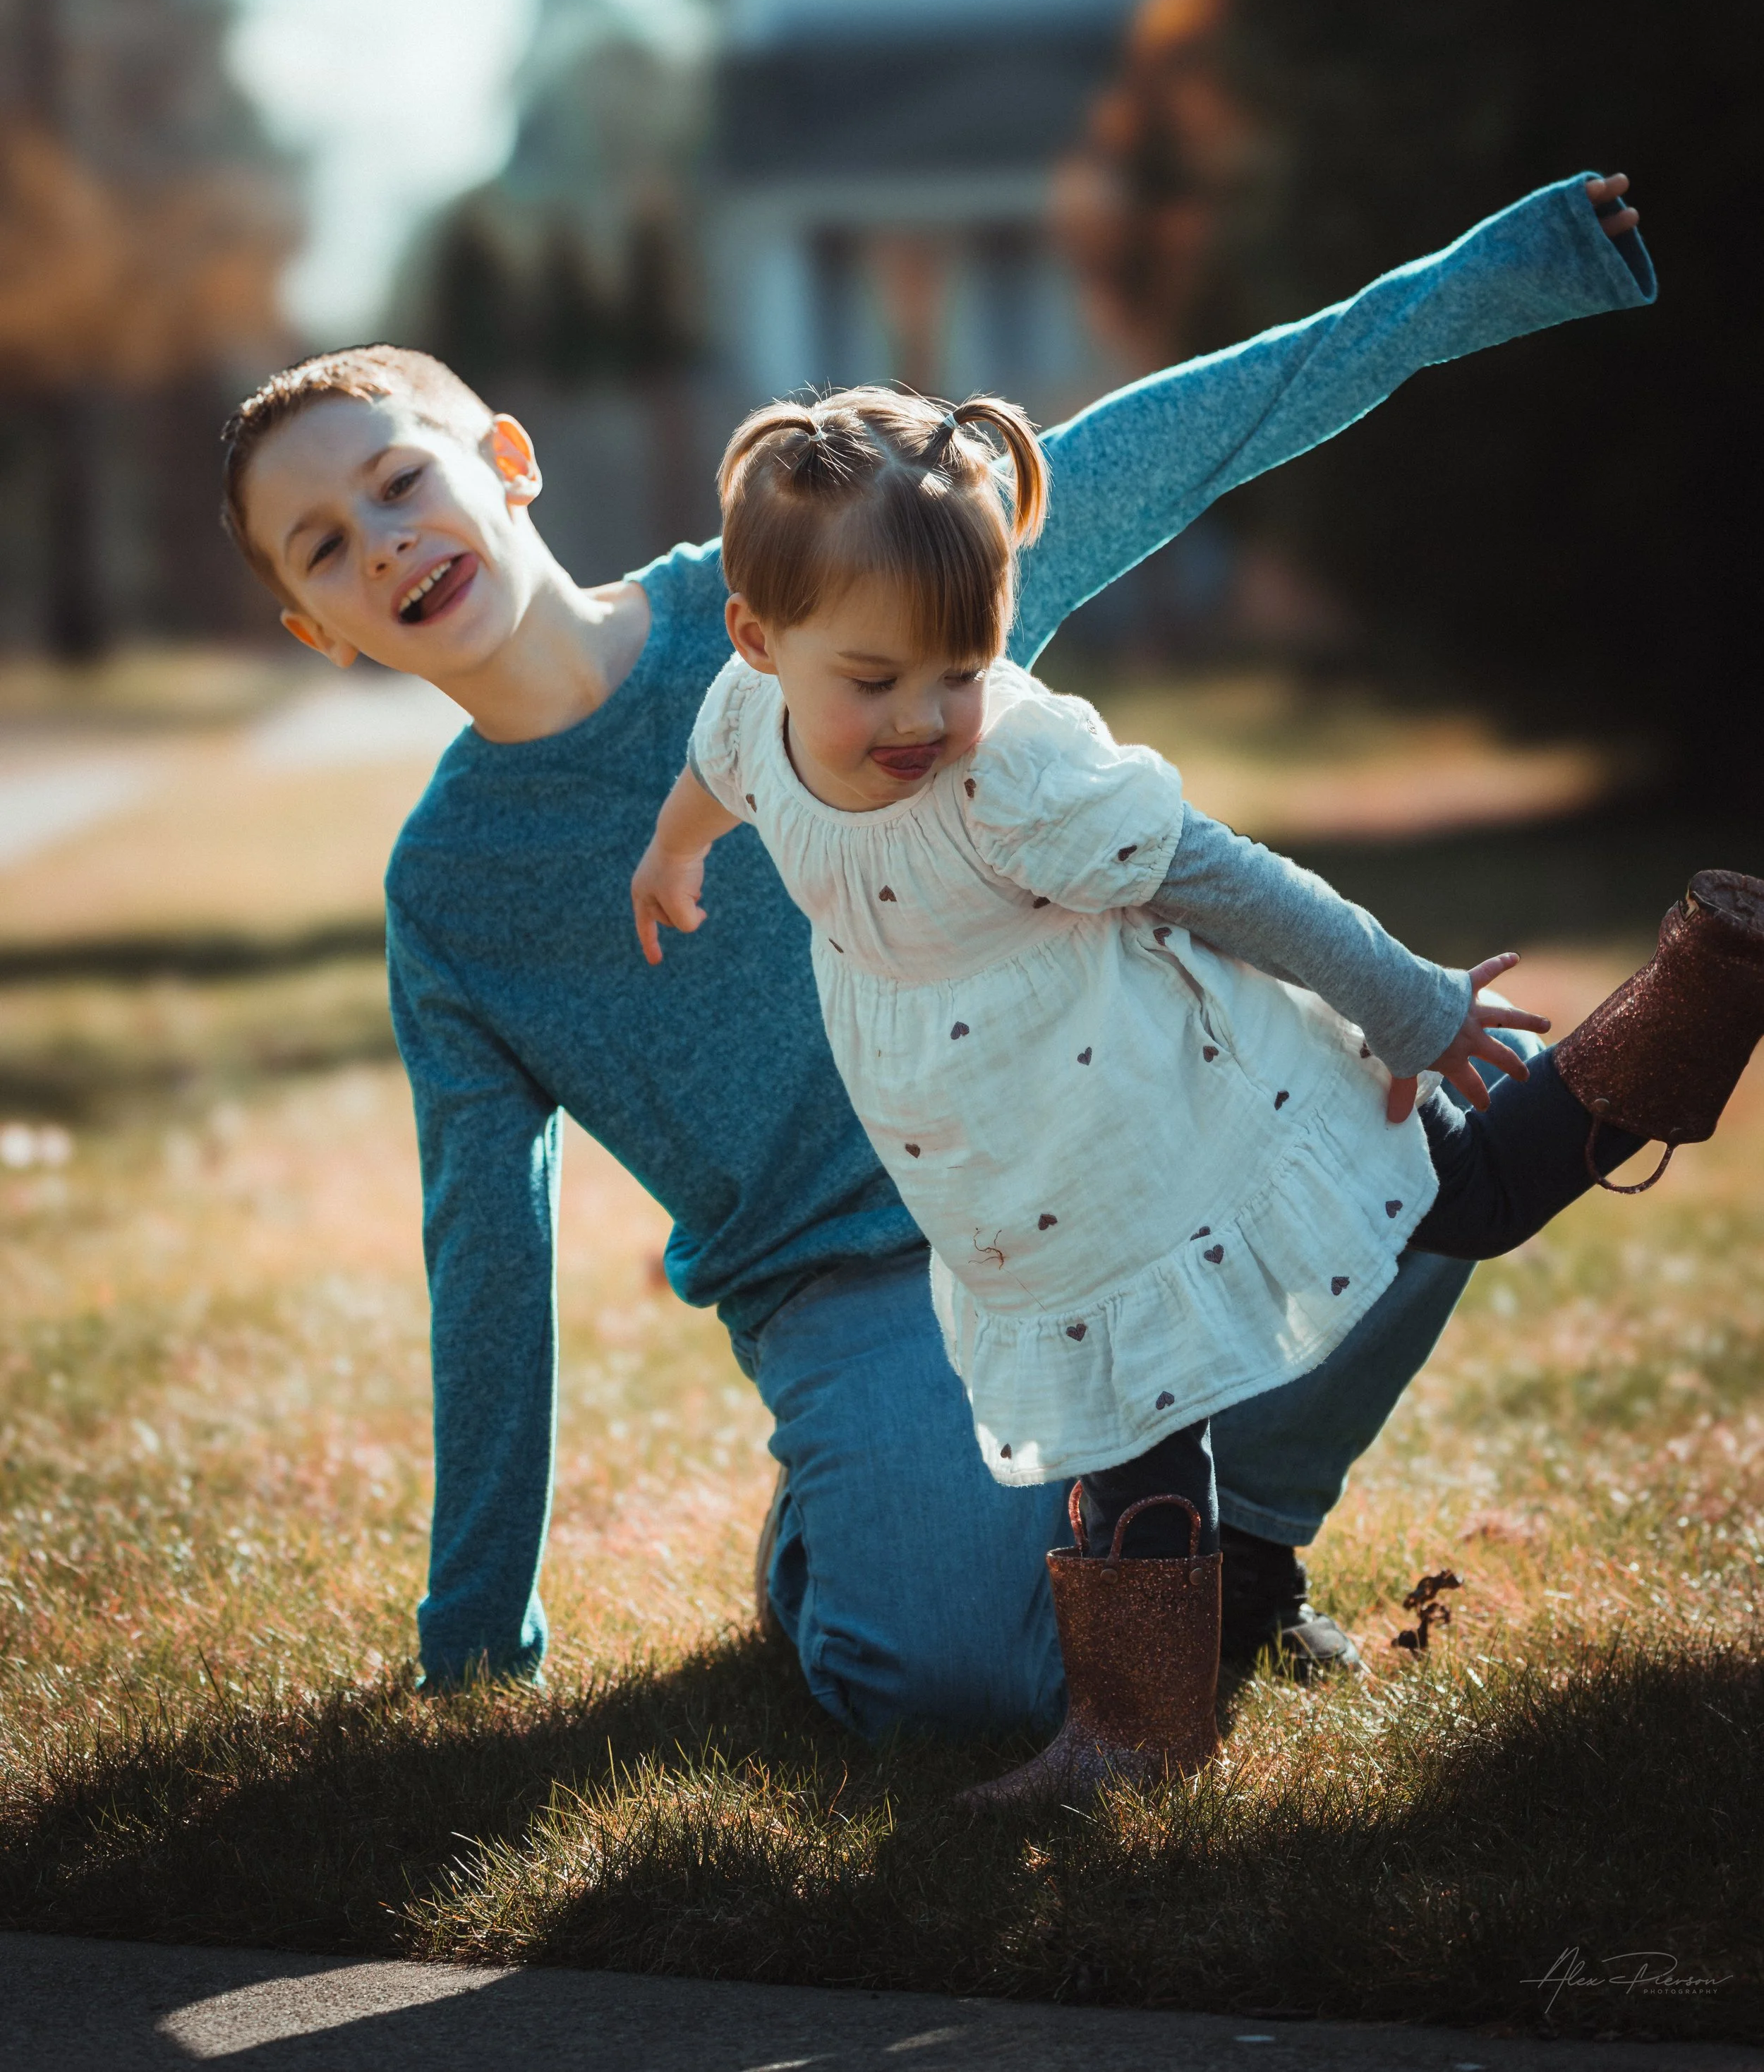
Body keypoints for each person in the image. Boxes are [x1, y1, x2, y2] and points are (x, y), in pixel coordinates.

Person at [221, 169, 1653, 1728]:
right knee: (947, 1681)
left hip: (1107, 1144)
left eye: (394, 483)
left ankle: (1239, 1548)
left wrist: (1498, 276)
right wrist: (474, 1637)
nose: (380, 543)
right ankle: (855, 1533)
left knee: (1403, 1135)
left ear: (503, 463)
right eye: (321, 548)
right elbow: (483, 1257)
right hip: (856, 1283)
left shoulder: (820, 567)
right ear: (320, 629)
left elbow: (1183, 441)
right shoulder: (453, 897)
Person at [633, 373, 1764, 1797]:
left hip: (1161, 1100)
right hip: (1028, 1155)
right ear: (758, 640)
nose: (924, 713)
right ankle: (1686, 1017)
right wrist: (670, 856)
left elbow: (1232, 880)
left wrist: (1409, 1004)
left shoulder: (1012, 779)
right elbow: (714, 772)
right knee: (1302, 1296)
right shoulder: (752, 714)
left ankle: (1135, 1739)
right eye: (874, 682)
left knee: (1228, 1352)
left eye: (961, 671)